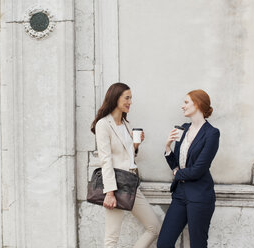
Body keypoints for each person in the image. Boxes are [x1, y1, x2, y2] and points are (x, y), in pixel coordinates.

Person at [91, 82, 161, 248]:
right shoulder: (103, 125)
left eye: (131, 98)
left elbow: (126, 156)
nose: (130, 102)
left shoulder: (125, 124)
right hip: (115, 187)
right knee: (111, 239)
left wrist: (135, 145)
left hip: (131, 183)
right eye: (127, 98)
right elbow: (106, 160)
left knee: (154, 227)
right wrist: (109, 192)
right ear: (115, 98)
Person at [157, 89, 220, 248]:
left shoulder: (211, 133)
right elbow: (176, 165)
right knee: (164, 243)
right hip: (180, 194)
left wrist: (178, 173)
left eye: (186, 102)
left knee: (198, 245)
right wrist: (167, 147)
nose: (182, 106)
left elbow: (199, 169)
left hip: (200, 195)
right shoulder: (183, 128)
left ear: (197, 104)